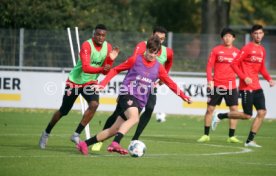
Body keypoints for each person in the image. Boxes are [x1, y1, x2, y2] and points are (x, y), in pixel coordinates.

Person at [76, 35, 192, 155]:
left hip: (140, 101)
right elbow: (116, 70)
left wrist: (184, 96)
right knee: (134, 118)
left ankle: (84, 144)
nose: (151, 55)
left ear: (157, 53)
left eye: (154, 53)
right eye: (149, 51)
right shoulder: (135, 59)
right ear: (146, 49)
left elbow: (170, 83)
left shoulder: (159, 68)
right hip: (127, 94)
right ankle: (115, 143)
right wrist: (103, 84)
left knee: (113, 129)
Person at [91, 26, 174, 151]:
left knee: (149, 108)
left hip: (149, 85)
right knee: (118, 114)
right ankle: (101, 140)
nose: (160, 40)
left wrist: (162, 79)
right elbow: (133, 66)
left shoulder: (168, 52)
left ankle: (135, 138)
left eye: (162, 39)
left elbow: (168, 65)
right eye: (157, 37)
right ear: (152, 36)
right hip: (133, 85)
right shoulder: (142, 46)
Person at [39, 24, 119, 149]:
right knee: (63, 111)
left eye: (103, 35)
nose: (100, 37)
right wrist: (103, 67)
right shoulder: (87, 45)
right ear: (94, 34)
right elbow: (86, 68)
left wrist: (111, 60)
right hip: (74, 82)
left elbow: (105, 72)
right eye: (98, 34)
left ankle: (76, 134)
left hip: (90, 83)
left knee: (94, 104)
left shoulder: (108, 47)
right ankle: (46, 132)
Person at [211, 24, 275, 147]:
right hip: (246, 87)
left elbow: (262, 68)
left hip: (257, 87)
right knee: (247, 115)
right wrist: (244, 77)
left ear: (263, 34)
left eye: (260, 33)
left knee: (262, 112)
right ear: (252, 35)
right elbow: (234, 64)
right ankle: (220, 115)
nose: (258, 35)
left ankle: (250, 140)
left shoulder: (262, 50)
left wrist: (269, 79)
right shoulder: (247, 48)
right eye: (256, 33)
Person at [197, 28, 241, 143]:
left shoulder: (238, 52)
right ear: (222, 38)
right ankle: (206, 135)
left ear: (234, 38)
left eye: (230, 36)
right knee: (210, 109)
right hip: (217, 84)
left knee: (234, 110)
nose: (228, 38)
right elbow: (209, 66)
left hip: (231, 85)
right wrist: (209, 80)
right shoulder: (216, 50)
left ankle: (231, 136)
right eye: (225, 36)